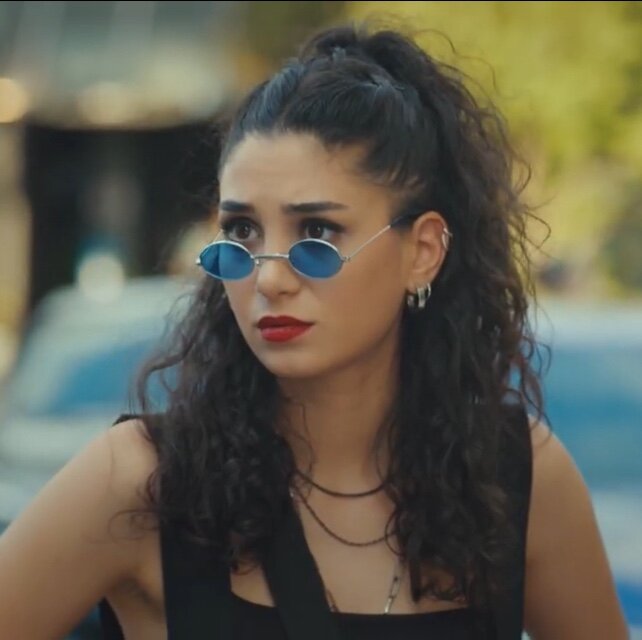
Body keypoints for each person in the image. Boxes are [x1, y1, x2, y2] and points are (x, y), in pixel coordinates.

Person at [0, 23, 629, 640]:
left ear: (423, 251)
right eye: (243, 232)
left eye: (317, 233)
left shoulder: (515, 479)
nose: (269, 277)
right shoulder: (144, 480)